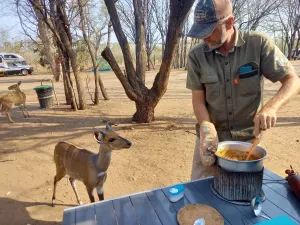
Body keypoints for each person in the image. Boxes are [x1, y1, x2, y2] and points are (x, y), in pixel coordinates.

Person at [186, 0, 300, 180]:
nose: (204, 38)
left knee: (243, 196)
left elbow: (293, 81)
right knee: (201, 194)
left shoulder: (259, 44)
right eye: (201, 33)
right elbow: (198, 100)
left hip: (246, 143)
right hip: (210, 140)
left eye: (209, 32)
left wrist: (271, 107)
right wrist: (207, 129)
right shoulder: (196, 56)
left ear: (229, 22)